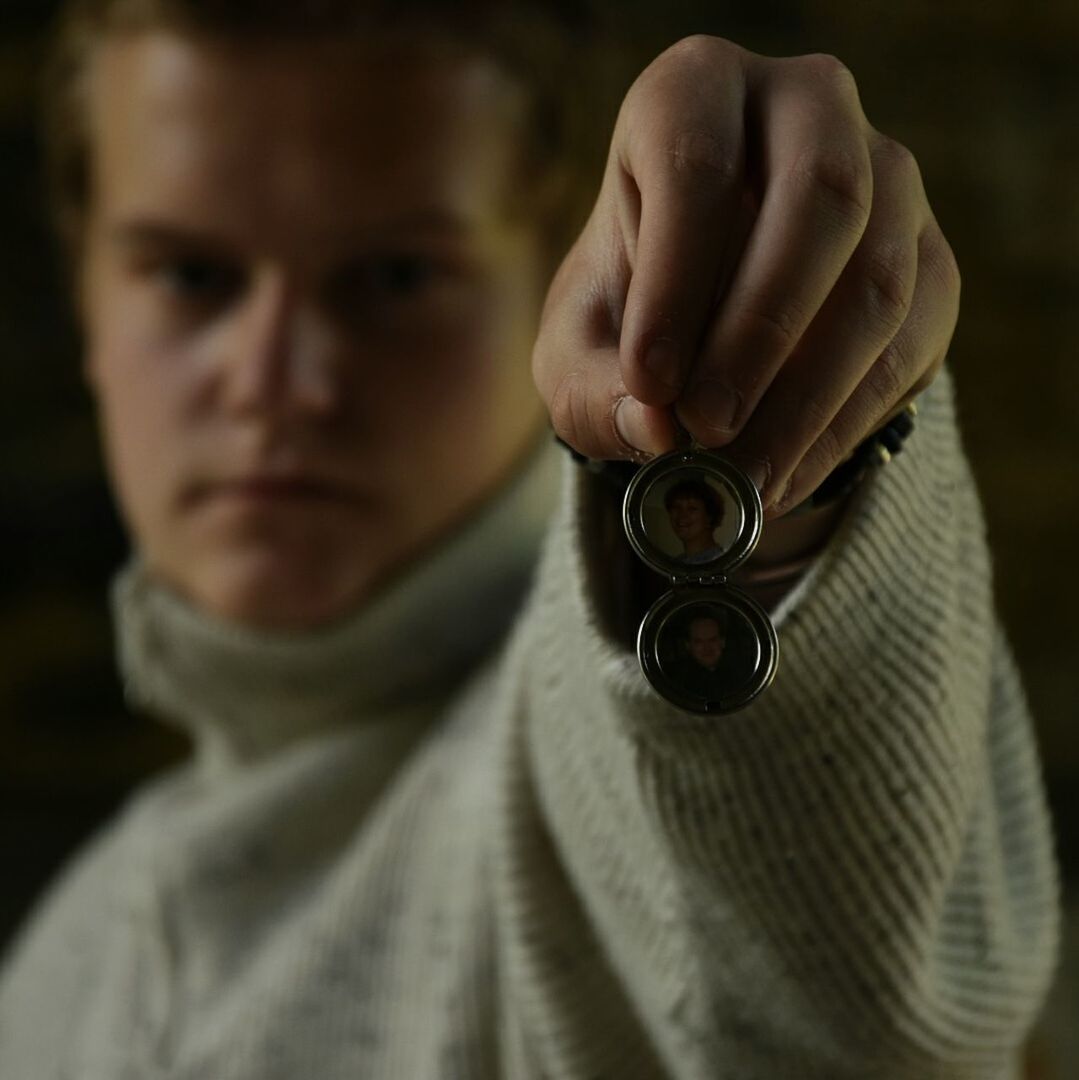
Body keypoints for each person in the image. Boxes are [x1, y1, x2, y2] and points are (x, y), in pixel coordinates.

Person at [0, 1, 1059, 1077]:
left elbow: (842, 1012)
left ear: (556, 284)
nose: (279, 383)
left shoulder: (560, 803)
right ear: (88, 303)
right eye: (190, 276)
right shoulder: (57, 968)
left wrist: (756, 446)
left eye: (396, 276)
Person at [663, 478, 726, 564]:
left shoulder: (721, 563)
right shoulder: (676, 564)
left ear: (709, 517)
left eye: (692, 508)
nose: (682, 515)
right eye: (676, 507)